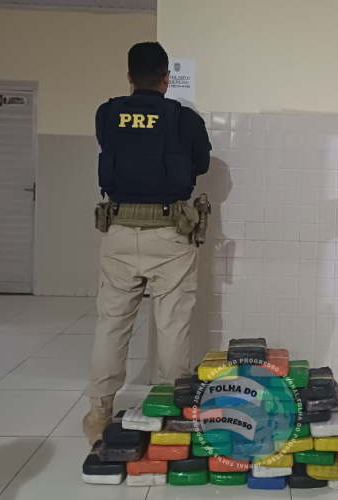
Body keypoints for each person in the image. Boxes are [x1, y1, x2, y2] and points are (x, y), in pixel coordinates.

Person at [82, 42, 211, 444]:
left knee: (111, 323)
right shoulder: (184, 118)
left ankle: (99, 413)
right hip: (170, 233)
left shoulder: (107, 114)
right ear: (167, 78)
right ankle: (170, 415)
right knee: (172, 325)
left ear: (128, 76)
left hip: (119, 231)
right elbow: (201, 164)